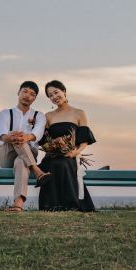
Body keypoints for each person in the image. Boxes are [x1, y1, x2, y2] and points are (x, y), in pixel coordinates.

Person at [37, 80, 96, 212]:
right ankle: (50, 206)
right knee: (52, 165)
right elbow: (44, 140)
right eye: (50, 95)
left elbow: (84, 138)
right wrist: (52, 146)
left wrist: (76, 152)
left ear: (64, 91)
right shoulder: (49, 116)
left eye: (56, 92)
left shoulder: (79, 113)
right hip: (52, 156)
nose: (54, 97)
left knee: (64, 164)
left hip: (71, 155)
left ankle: (70, 205)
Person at [0, 81, 50, 212]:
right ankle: (36, 170)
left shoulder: (39, 115)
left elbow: (37, 134)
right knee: (14, 134)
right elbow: (2, 135)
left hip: (28, 154)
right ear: (18, 92)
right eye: (25, 91)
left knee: (21, 160)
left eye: (32, 94)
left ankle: (18, 203)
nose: (28, 95)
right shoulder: (5, 113)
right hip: (6, 155)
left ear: (35, 98)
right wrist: (12, 137)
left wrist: (27, 137)